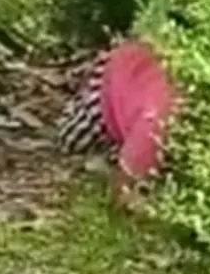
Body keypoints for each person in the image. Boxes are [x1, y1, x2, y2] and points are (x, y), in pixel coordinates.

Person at [56, 38, 177, 209]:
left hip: (145, 75)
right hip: (114, 84)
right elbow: (122, 191)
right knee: (71, 140)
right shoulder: (157, 124)